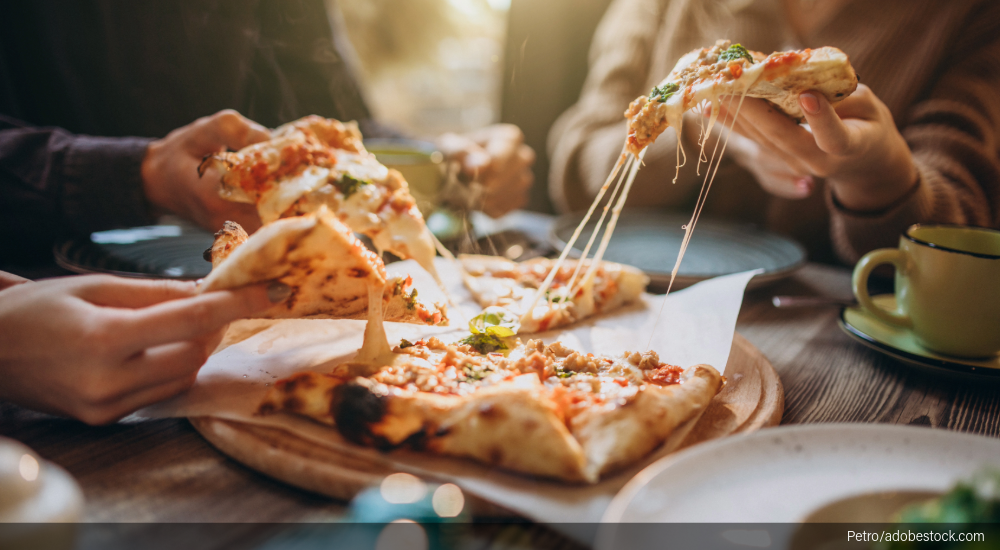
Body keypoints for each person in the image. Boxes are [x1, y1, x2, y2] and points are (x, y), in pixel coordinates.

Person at [0, 0, 533, 424]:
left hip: (250, 349)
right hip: (38, 330)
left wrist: (449, 157)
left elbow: (332, 117)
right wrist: (139, 172)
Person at [548, 0, 1000, 264]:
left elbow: (960, 249)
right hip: (637, 298)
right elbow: (577, 177)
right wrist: (699, 129)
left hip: (839, 348)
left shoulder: (971, 16)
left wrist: (877, 176)